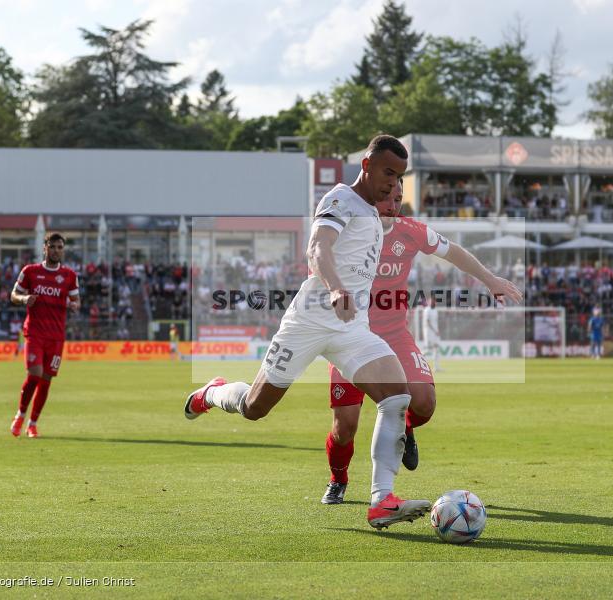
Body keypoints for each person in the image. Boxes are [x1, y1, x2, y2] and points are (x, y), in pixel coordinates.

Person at [184, 135, 428, 530]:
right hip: (309, 322)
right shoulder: (339, 199)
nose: (393, 183)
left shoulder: (376, 214)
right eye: (388, 172)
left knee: (397, 393)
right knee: (254, 408)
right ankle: (211, 392)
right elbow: (318, 248)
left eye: (399, 176)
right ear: (366, 165)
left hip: (352, 328)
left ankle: (382, 500)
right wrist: (334, 287)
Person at [322, 185, 523, 505]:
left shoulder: (410, 231)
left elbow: (453, 251)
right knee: (344, 427)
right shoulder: (348, 229)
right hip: (352, 338)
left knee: (425, 403)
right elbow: (320, 256)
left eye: (397, 200)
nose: (391, 205)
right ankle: (338, 479)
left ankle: (405, 426)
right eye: (385, 197)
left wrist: (490, 279)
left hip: (394, 334)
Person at [9, 233, 80, 438]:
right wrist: (24, 299)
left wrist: (73, 305)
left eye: (60, 247)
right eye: (53, 246)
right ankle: (20, 415)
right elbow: (13, 295)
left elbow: (76, 301)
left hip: (56, 336)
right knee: (34, 374)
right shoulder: (30, 271)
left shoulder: (69, 275)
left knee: (46, 379)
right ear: (45, 248)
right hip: (34, 332)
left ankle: (33, 423)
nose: (57, 250)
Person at [422, 297, 440, 373]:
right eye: (432, 301)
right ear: (429, 302)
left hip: (435, 332)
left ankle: (436, 367)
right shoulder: (427, 310)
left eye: (435, 301)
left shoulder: (435, 310)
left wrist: (437, 330)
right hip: (429, 332)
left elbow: (435, 322)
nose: (434, 303)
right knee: (427, 350)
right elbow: (427, 322)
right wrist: (435, 330)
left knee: (436, 348)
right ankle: (420, 360)